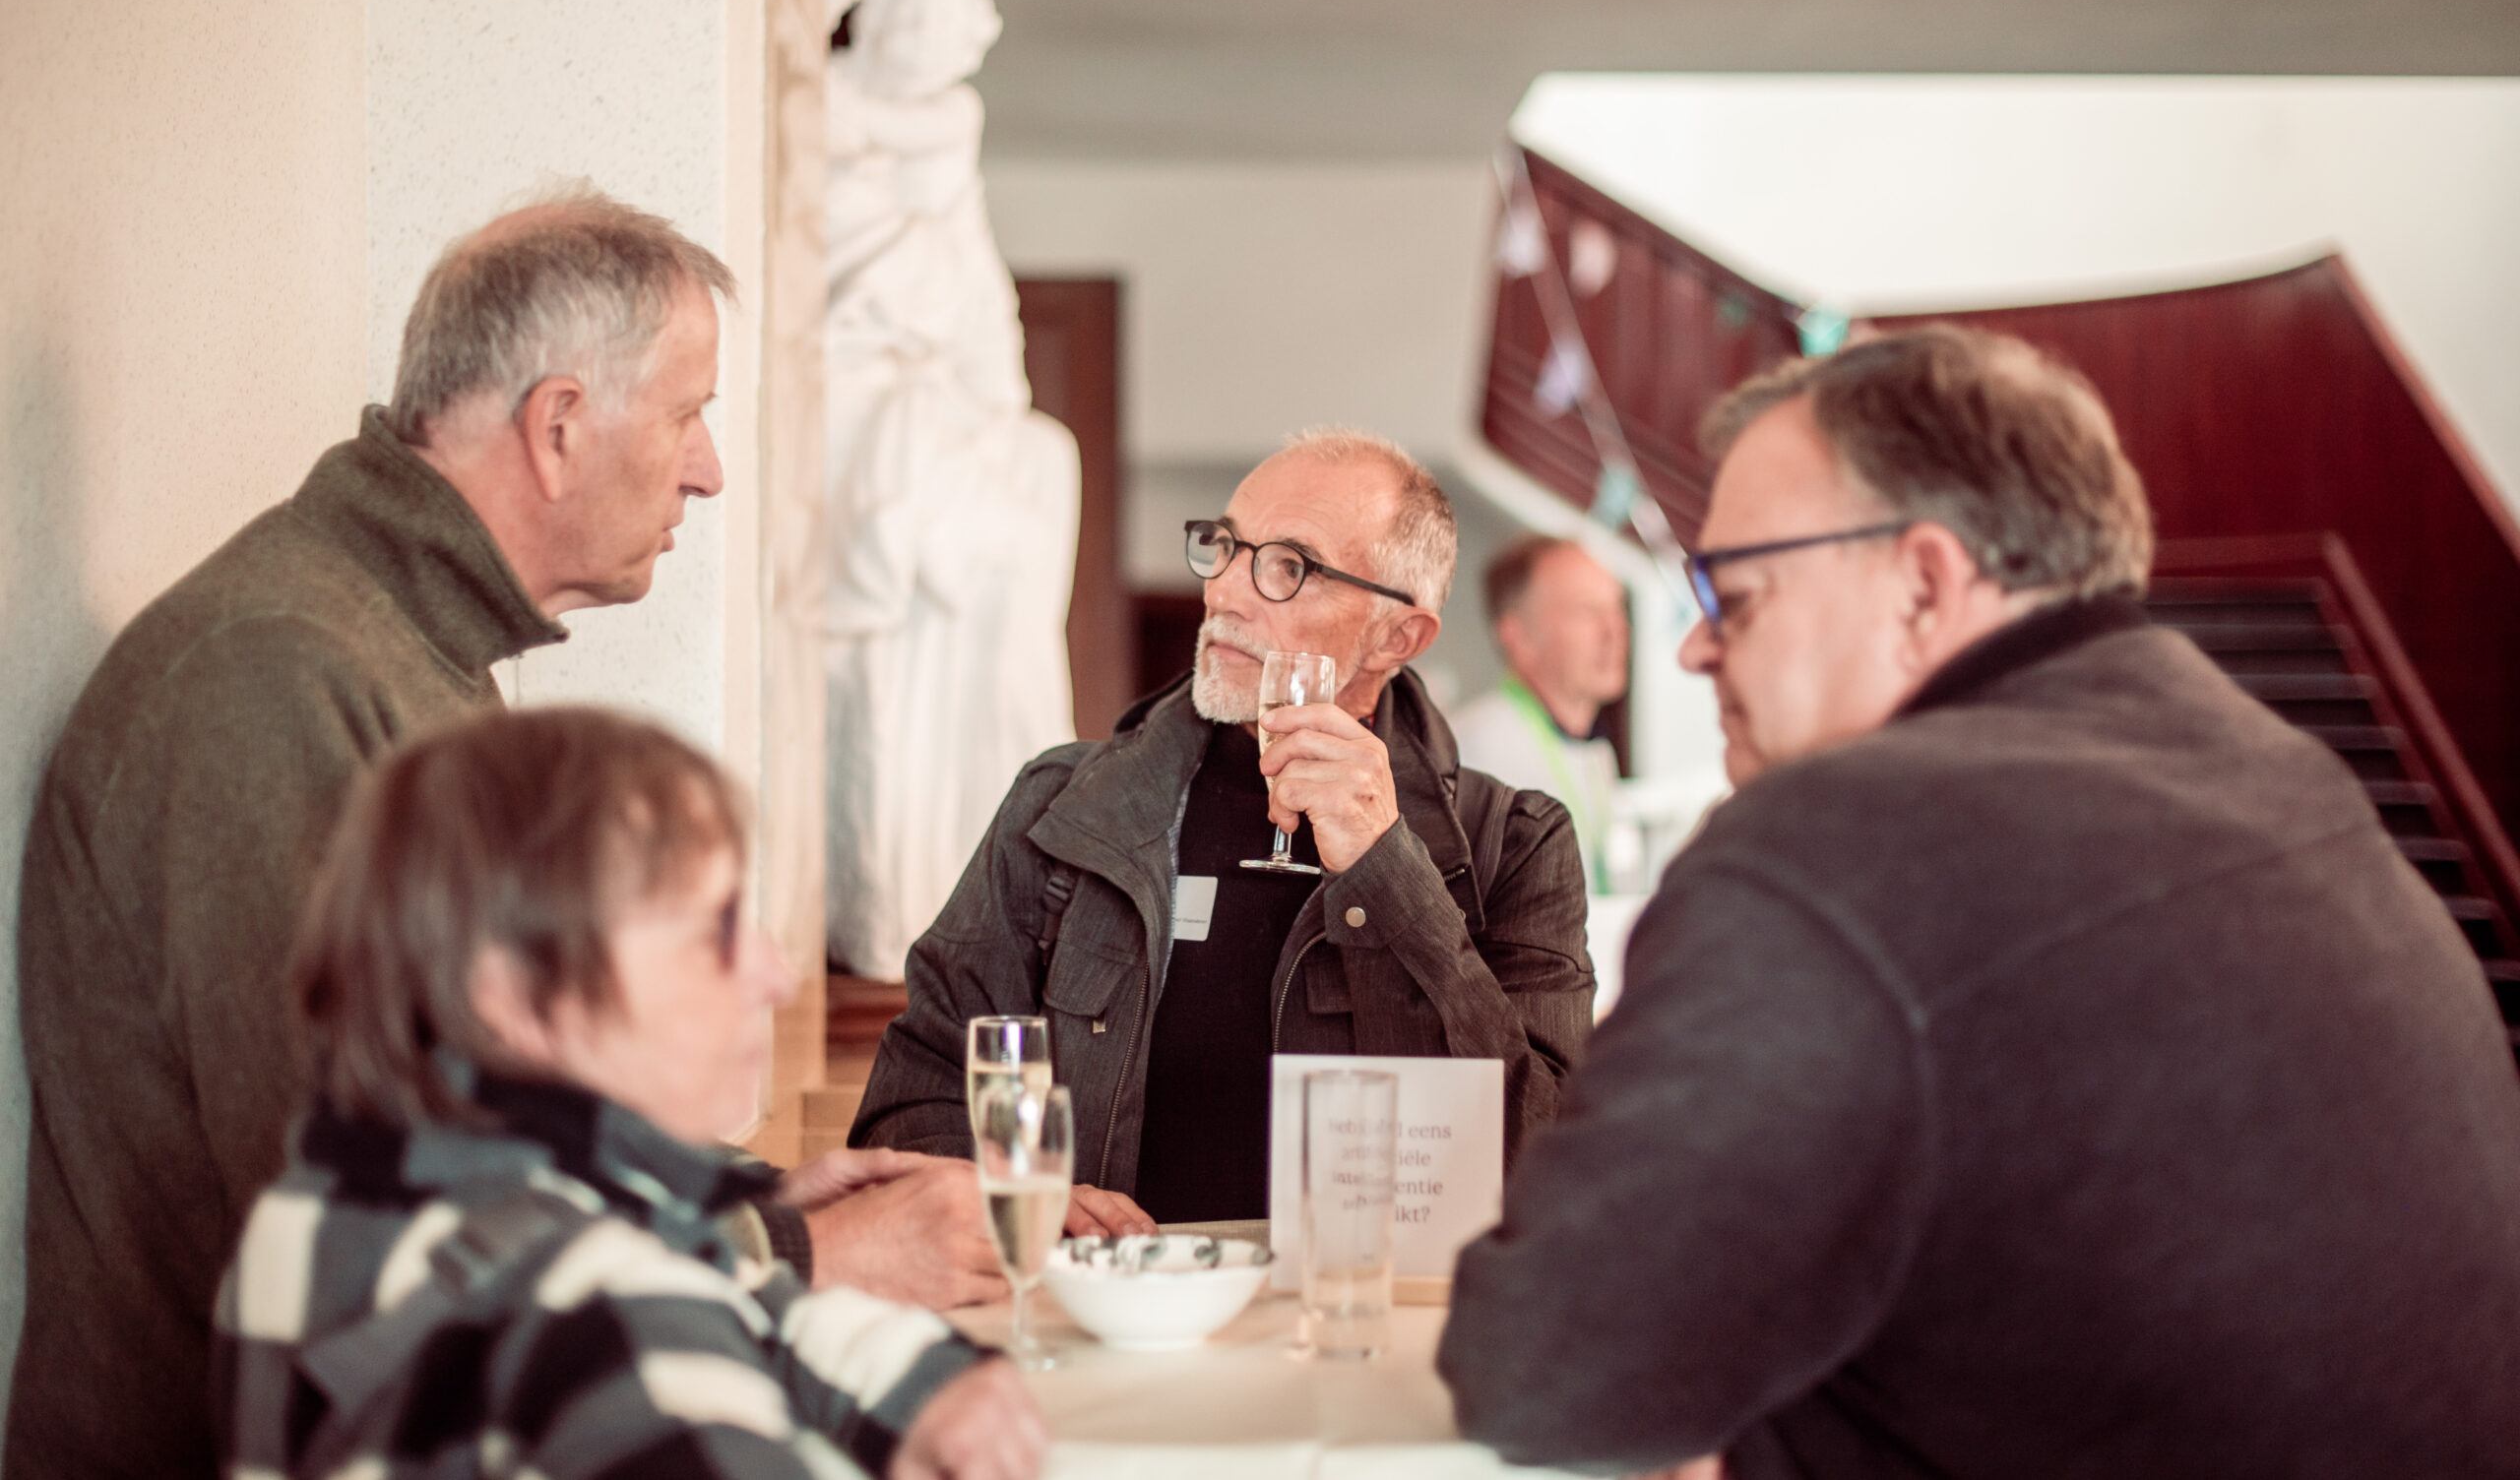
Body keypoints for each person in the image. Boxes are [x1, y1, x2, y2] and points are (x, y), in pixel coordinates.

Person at [11, 192, 998, 1480]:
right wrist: (799, 1258)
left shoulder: (397, 646)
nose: (709, 466)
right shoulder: (279, 674)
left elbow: (488, 1107)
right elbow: (367, 1198)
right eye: (693, 411)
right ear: (560, 425)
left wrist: (724, 1196)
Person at [1440, 327, 2520, 1476]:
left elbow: (1541, 1366)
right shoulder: (2274, 769)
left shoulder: (1835, 843)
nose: (1699, 648)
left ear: (1922, 583)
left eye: (1733, 594)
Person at [216, 706, 1045, 1480]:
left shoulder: (322, 1214)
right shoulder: (604, 1310)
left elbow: (723, 1288)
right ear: (517, 997)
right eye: (713, 929)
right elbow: (654, 1304)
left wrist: (927, 1381)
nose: (775, 973)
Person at [850, 428, 1595, 1225]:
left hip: (1362, 1331)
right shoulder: (1059, 807)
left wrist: (1388, 870)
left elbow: (1544, 1165)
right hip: (1110, 1323)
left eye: (1288, 567)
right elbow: (918, 1098)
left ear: (1397, 637)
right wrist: (1025, 1204)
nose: (1227, 593)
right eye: (1227, 547)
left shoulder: (1515, 843)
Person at [1449, 534, 1629, 894]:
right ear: (1519, 638)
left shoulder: (1594, 752)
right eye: (1587, 611)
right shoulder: (1472, 751)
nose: (1615, 631)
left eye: (1617, 608)